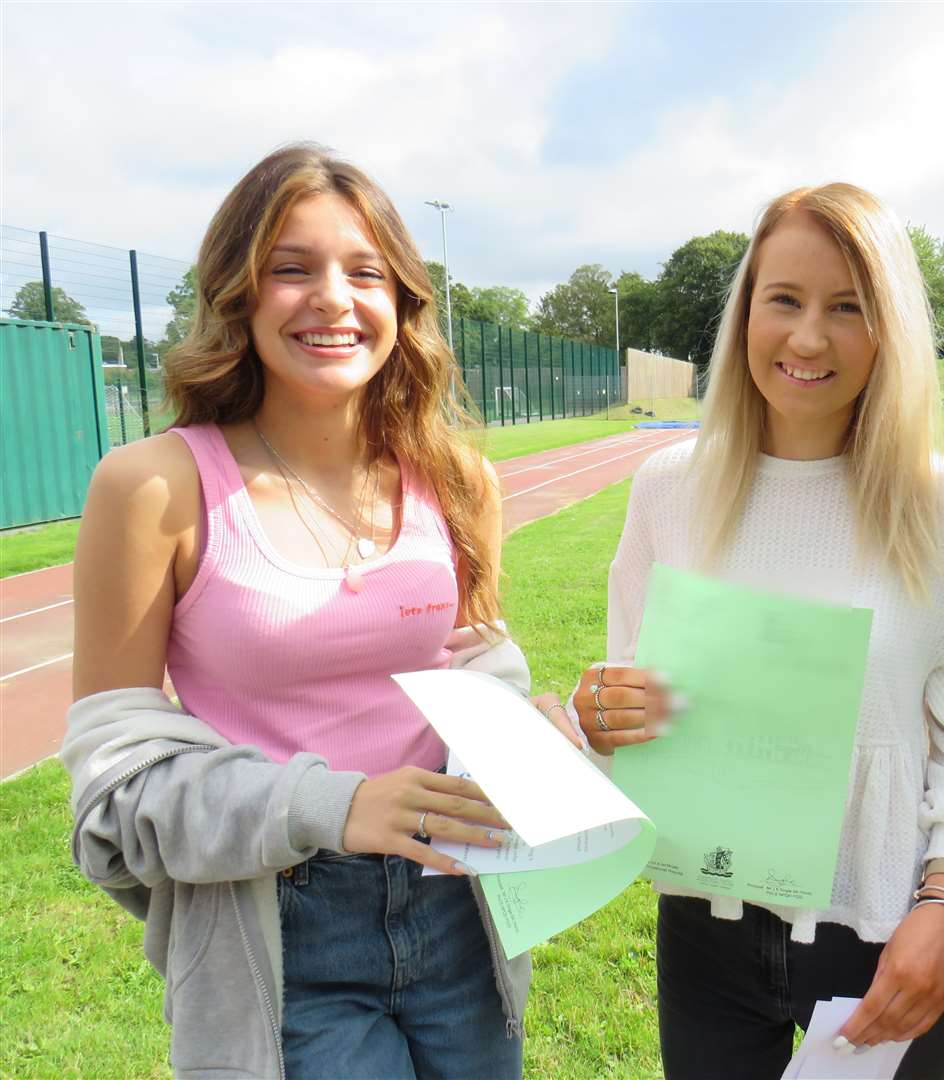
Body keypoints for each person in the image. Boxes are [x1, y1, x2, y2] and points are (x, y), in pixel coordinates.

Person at [61, 144, 571, 1079]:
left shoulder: (459, 480)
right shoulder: (152, 486)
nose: (334, 298)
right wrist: (334, 807)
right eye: (291, 269)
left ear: (402, 301)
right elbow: (116, 789)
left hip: (462, 904)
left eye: (365, 272)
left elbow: (479, 667)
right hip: (280, 925)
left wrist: (532, 735)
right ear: (237, 295)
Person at [568, 183, 944, 1078]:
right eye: (785, 301)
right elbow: (627, 705)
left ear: (889, 329)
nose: (809, 338)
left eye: (848, 307)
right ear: (744, 317)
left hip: (882, 934)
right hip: (706, 930)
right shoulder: (668, 488)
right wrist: (603, 712)